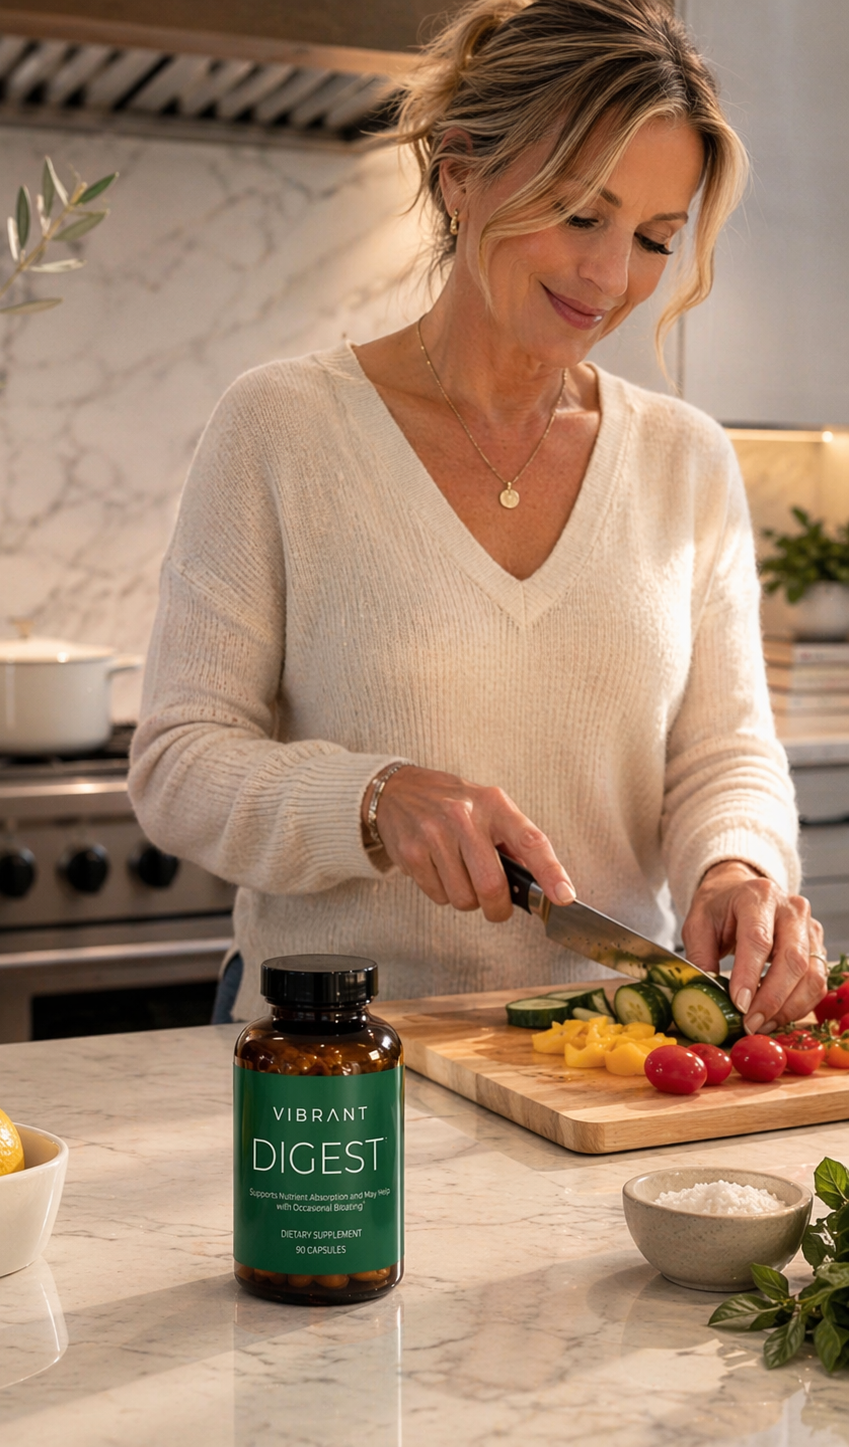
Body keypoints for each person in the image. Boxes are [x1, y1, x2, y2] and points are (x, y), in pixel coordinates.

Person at [130, 0, 826, 1030]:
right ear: (461, 171)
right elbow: (180, 762)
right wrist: (372, 799)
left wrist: (736, 868)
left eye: (652, 238)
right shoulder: (282, 425)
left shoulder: (687, 461)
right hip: (333, 1056)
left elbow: (723, 753)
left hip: (606, 1060)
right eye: (581, 212)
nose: (610, 276)